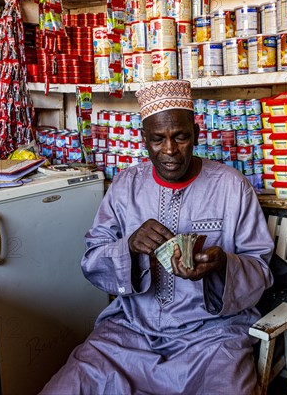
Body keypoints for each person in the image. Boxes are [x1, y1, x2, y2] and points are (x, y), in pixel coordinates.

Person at [40, 80, 274, 395]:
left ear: (196, 133)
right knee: (67, 388)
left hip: (211, 338)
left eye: (180, 136)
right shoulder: (125, 187)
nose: (170, 151)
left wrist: (223, 265)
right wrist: (129, 248)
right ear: (143, 139)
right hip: (130, 332)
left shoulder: (232, 187)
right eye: (158, 139)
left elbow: (260, 268)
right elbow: (91, 262)